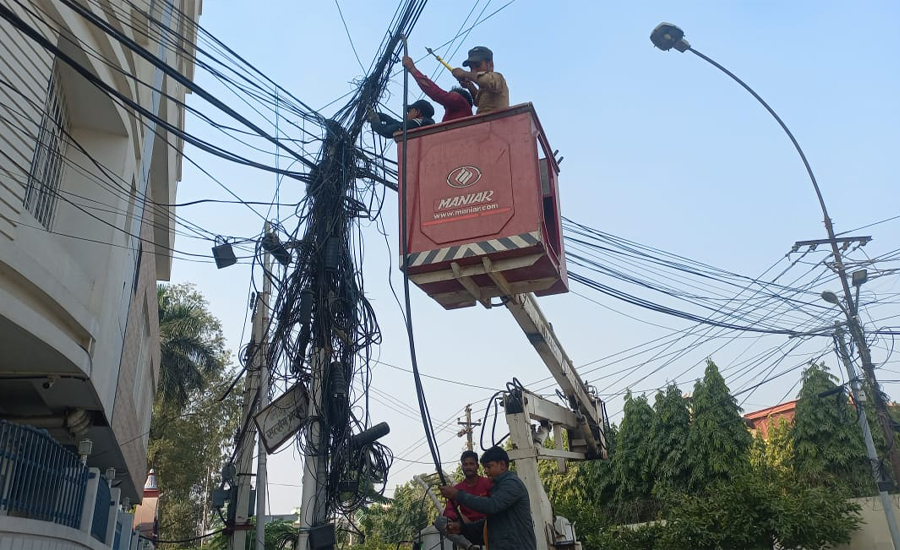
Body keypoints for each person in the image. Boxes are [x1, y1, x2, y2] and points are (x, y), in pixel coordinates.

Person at [439, 446, 536, 550]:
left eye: (489, 467)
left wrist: (457, 495)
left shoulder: (511, 484)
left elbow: (491, 505)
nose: (485, 471)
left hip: (516, 546)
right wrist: (461, 528)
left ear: (502, 465)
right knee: (439, 521)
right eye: (484, 467)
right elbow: (490, 522)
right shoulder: (497, 486)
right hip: (497, 541)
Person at [433, 451, 493, 549]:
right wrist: (460, 515)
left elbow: (495, 505)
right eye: (465, 464)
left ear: (477, 466)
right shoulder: (457, 489)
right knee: (439, 521)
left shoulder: (487, 483)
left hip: (487, 527)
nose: (468, 467)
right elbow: (448, 511)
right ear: (462, 467)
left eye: (471, 464)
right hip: (466, 529)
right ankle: (469, 547)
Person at [402, 55, 474, 122]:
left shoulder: (459, 101)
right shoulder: (453, 116)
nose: (448, 97)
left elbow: (437, 93)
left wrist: (413, 69)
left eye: (451, 96)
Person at [451, 46, 509, 115]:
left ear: (490, 64)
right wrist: (469, 86)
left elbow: (485, 80)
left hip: (497, 122)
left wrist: (464, 73)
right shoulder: (485, 87)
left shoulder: (497, 77)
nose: (474, 70)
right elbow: (478, 102)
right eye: (471, 67)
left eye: (477, 65)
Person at [367, 99, 435, 138]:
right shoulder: (423, 124)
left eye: (409, 111)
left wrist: (374, 121)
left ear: (417, 112)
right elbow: (398, 124)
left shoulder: (416, 123)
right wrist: (381, 116)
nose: (407, 115)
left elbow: (386, 131)